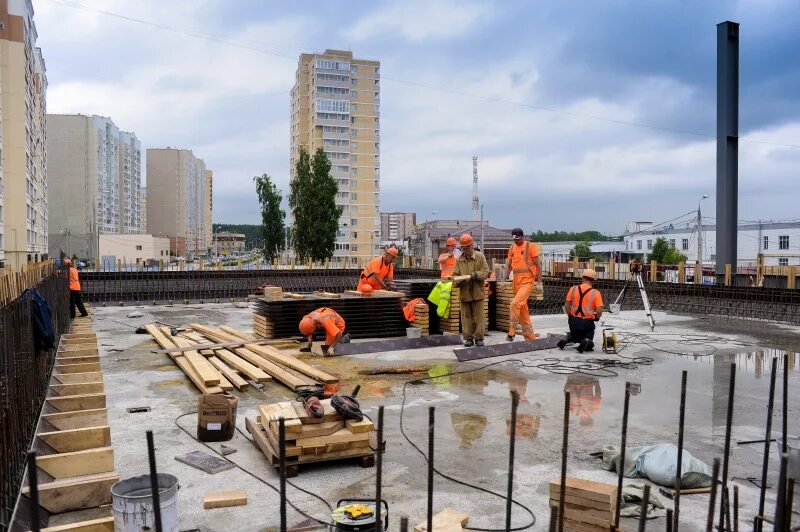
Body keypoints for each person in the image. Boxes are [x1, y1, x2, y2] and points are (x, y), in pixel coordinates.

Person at [504, 228, 541, 341]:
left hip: (527, 280)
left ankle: (511, 332)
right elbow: (509, 266)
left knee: (515, 304)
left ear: (522, 237)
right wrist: (504, 279)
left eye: (518, 239)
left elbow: (538, 265)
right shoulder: (512, 247)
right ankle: (530, 337)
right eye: (514, 239)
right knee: (523, 310)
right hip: (516, 281)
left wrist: (539, 282)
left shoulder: (530, 246)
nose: (516, 241)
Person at [451, 234, 489, 347]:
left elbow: (485, 272)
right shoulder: (459, 260)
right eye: (463, 248)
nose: (465, 250)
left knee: (479, 316)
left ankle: (479, 338)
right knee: (466, 317)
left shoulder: (480, 257)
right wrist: (458, 281)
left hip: (478, 292)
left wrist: (475, 275)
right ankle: (468, 338)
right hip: (465, 293)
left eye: (467, 247)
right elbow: (454, 276)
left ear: (472, 245)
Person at [558, 268, 604, 353]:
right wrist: (597, 317)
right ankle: (586, 341)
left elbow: (567, 305)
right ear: (593, 280)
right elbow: (599, 310)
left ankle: (567, 339)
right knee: (589, 340)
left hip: (573, 322)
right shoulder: (596, 293)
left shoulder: (573, 289)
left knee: (575, 336)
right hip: (587, 323)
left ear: (583, 278)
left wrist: (570, 316)